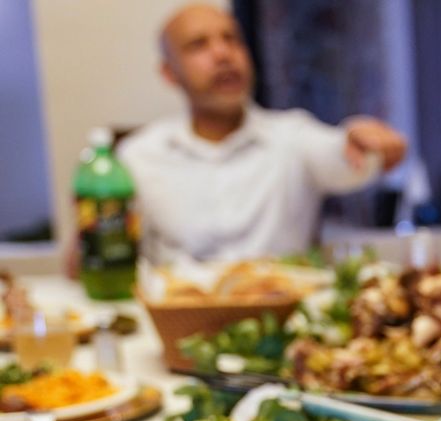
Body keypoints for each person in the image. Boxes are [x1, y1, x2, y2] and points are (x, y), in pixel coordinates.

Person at [115, 3, 407, 264]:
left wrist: (362, 143)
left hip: (282, 316)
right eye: (198, 45)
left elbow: (342, 157)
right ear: (169, 72)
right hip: (176, 317)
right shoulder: (138, 157)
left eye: (231, 39)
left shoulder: (293, 137)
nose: (222, 54)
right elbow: (95, 259)